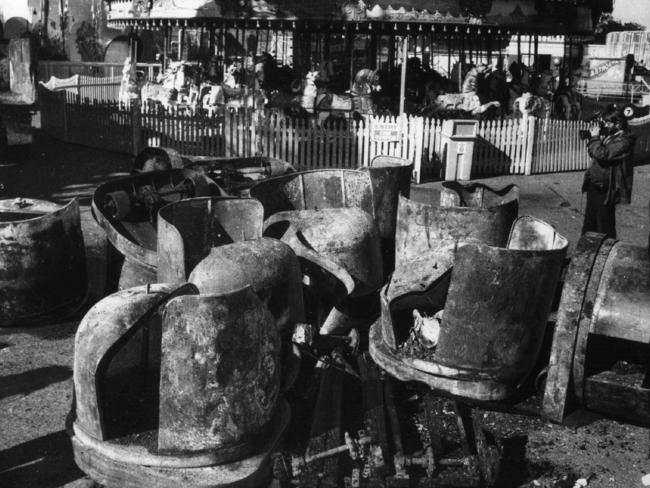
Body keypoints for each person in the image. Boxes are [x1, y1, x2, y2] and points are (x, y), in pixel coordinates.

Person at [581, 104, 636, 239]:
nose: (604, 125)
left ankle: (605, 256)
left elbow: (602, 154)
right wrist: (595, 139)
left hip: (607, 189)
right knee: (589, 224)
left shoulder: (625, 141)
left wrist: (594, 138)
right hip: (594, 185)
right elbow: (594, 152)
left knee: (604, 227)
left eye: (607, 122)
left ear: (618, 123)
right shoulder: (611, 135)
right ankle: (586, 254)